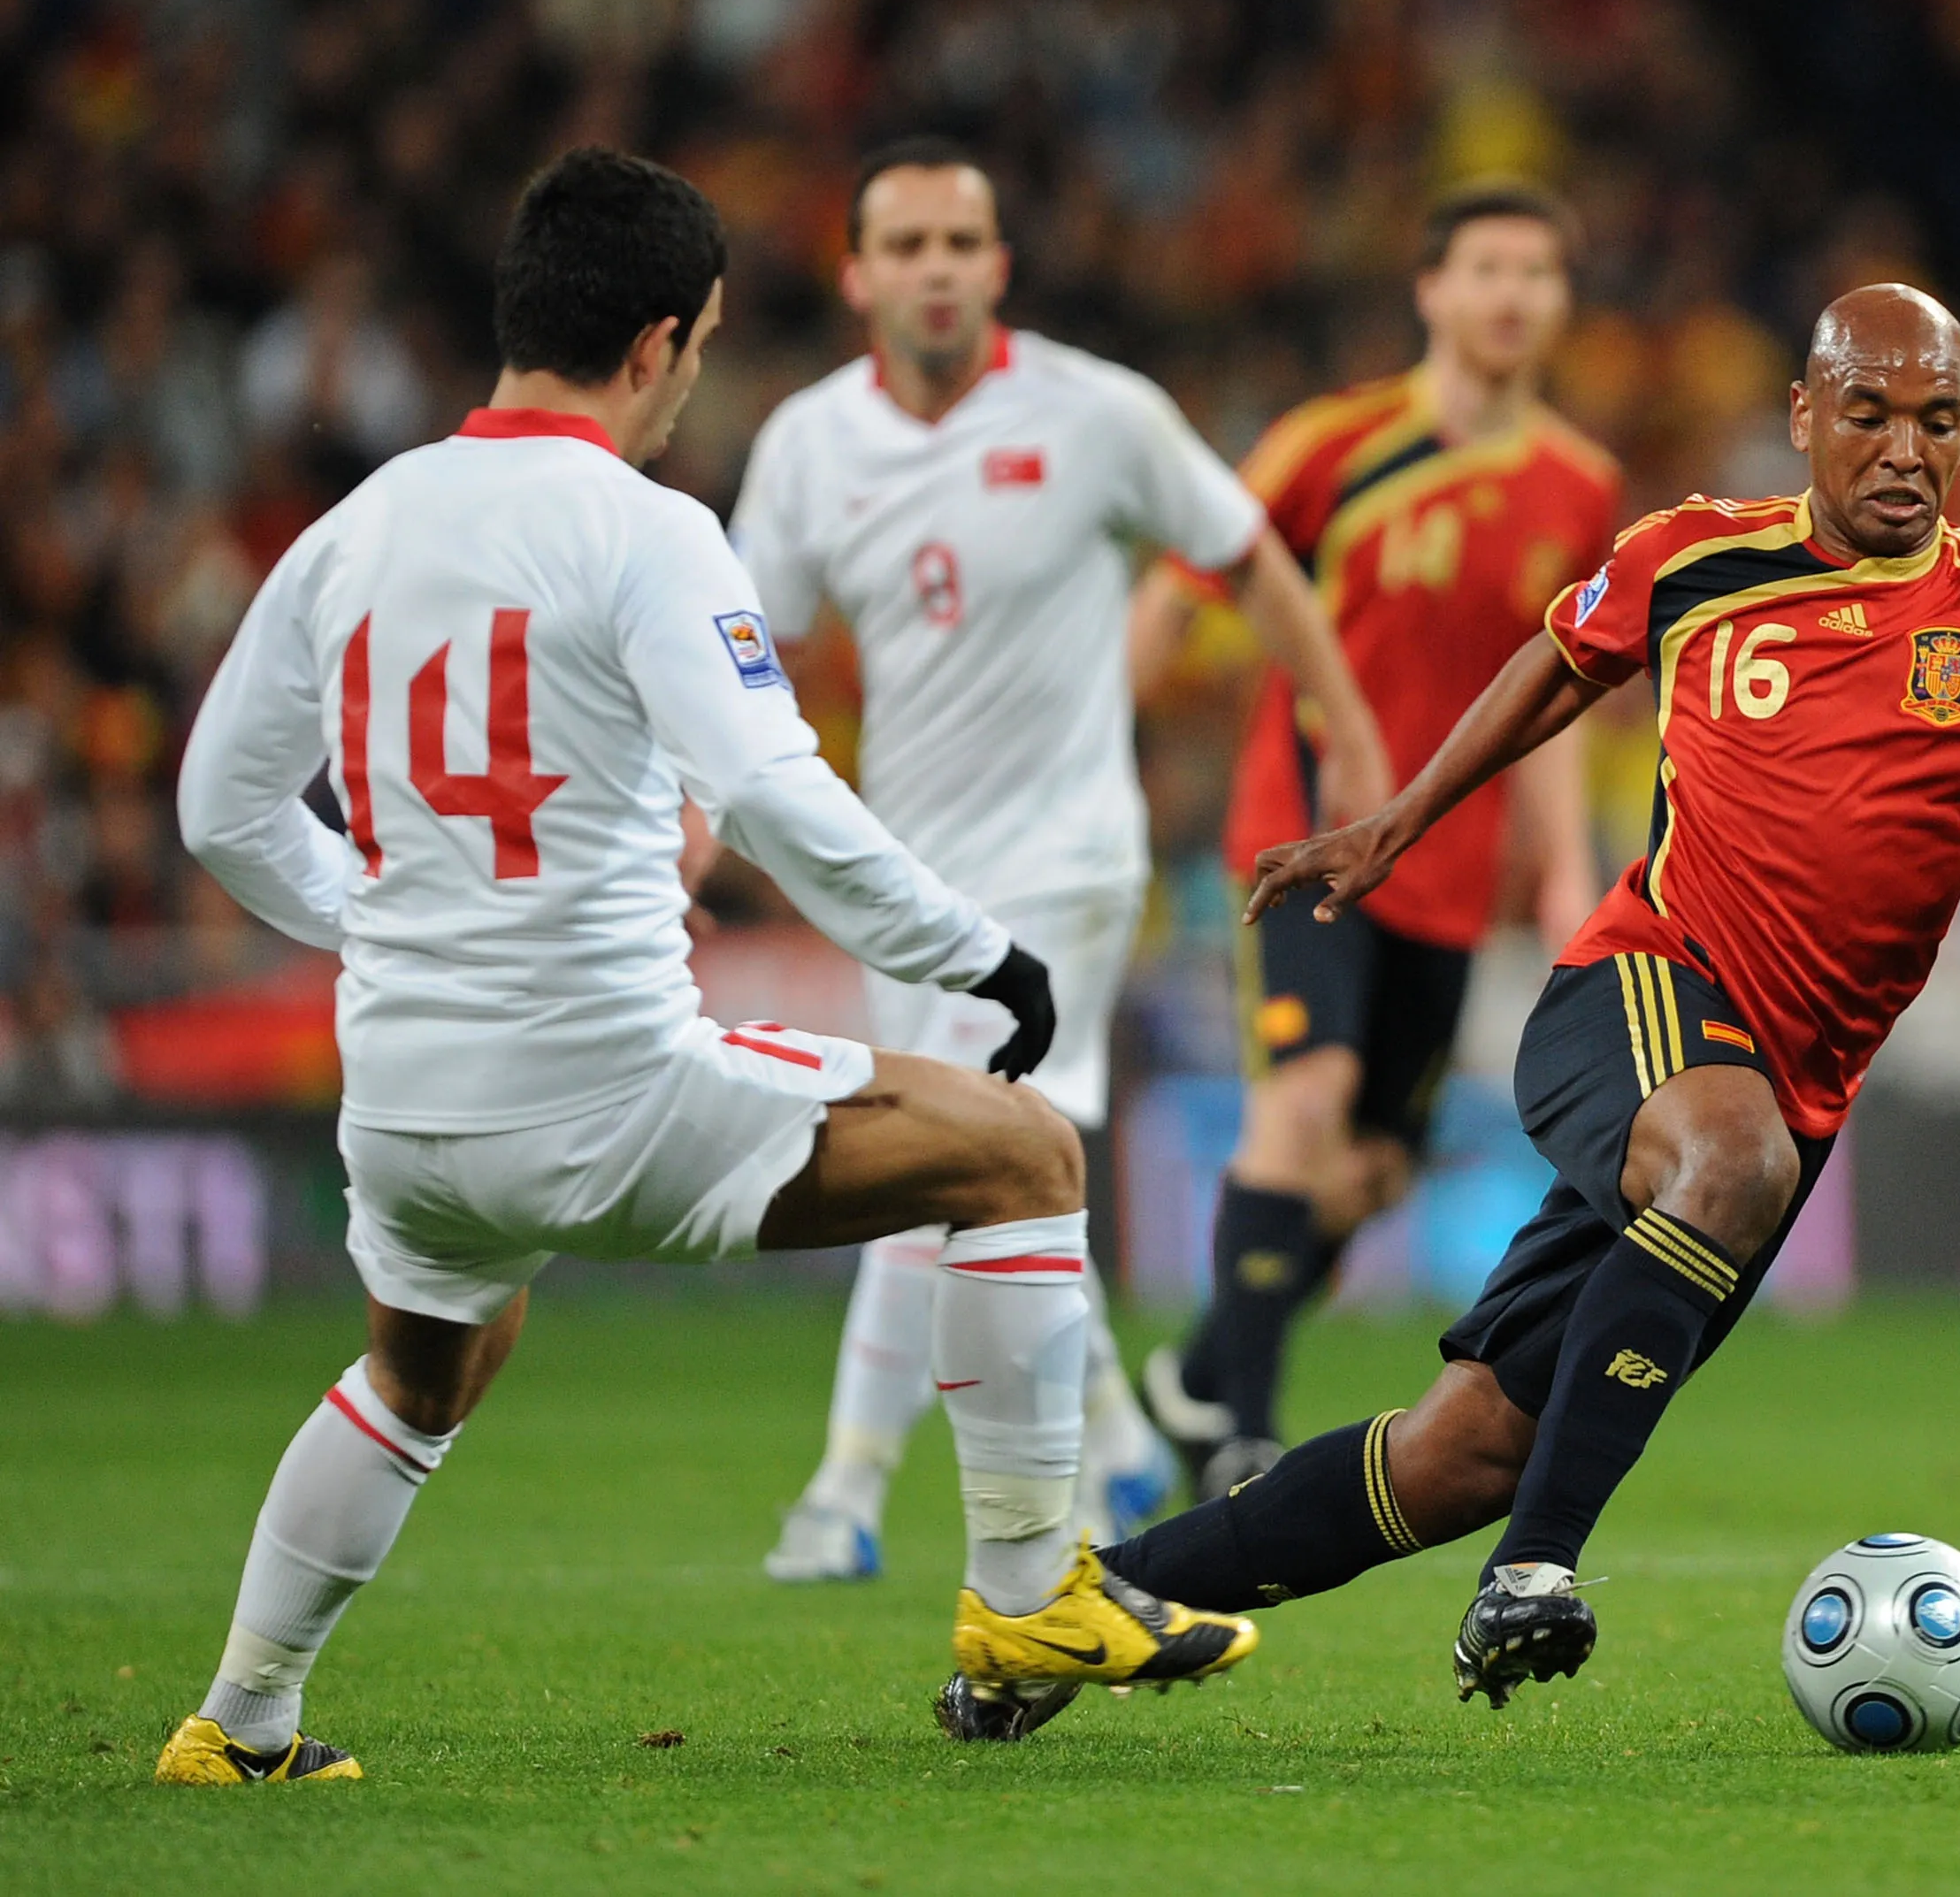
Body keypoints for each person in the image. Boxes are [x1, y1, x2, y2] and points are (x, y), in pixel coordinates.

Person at [947, 281, 1960, 1738]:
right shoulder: (1694, 559)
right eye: (1870, 413)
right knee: (1730, 1164)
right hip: (1636, 992)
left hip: (1785, 1093)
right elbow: (1554, 665)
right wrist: (1397, 821)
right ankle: (1536, 1573)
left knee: (1467, 1448)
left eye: (1938, 420)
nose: (1904, 448)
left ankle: (1061, 1617)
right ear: (1804, 417)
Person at [153, 148, 1255, 1786]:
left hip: (402, 1100)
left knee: (424, 1367)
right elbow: (763, 789)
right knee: (1022, 1149)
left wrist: (379, 920)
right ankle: (1029, 1595)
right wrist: (969, 949)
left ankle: (237, 1723)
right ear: (663, 342)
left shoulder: (358, 523)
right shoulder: (644, 529)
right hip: (603, 1085)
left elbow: (218, 805)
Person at [736, 139, 1390, 1587]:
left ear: (1001, 267)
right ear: (856, 274)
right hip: (903, 876)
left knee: (948, 1155)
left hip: (1068, 861)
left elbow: (1250, 555)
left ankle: (843, 1491)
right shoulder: (806, 446)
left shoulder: (1098, 414)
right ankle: (1111, 1428)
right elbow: (745, 653)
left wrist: (1343, 728)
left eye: (962, 242)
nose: (937, 269)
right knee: (988, 1165)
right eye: (905, 245)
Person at [1136, 180, 1618, 1498]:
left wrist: (1565, 859)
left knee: (1368, 1175)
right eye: (1487, 267)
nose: (1512, 293)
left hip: (1449, 876)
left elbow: (1561, 689)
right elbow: (1178, 594)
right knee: (1303, 1096)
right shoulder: (1328, 446)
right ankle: (1237, 1424)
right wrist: (1100, 765)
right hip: (1309, 837)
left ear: (1562, 300)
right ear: (1432, 291)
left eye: (1537, 270)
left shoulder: (1580, 487)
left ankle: (1196, 1368)